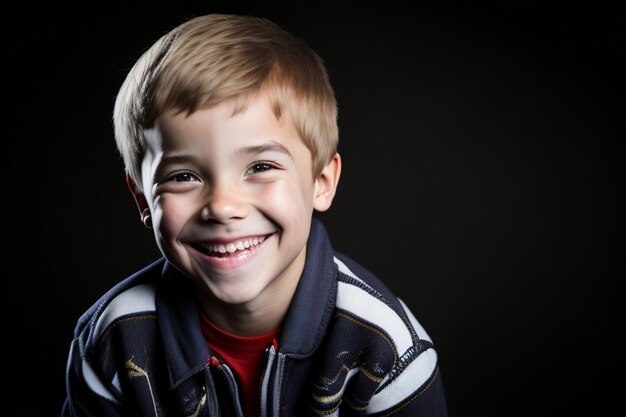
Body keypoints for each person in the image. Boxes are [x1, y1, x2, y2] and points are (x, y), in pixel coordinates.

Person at [62, 13, 448, 417]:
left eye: (260, 167)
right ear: (142, 199)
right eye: (184, 176)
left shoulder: (388, 348)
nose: (224, 206)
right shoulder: (112, 341)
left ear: (321, 181)